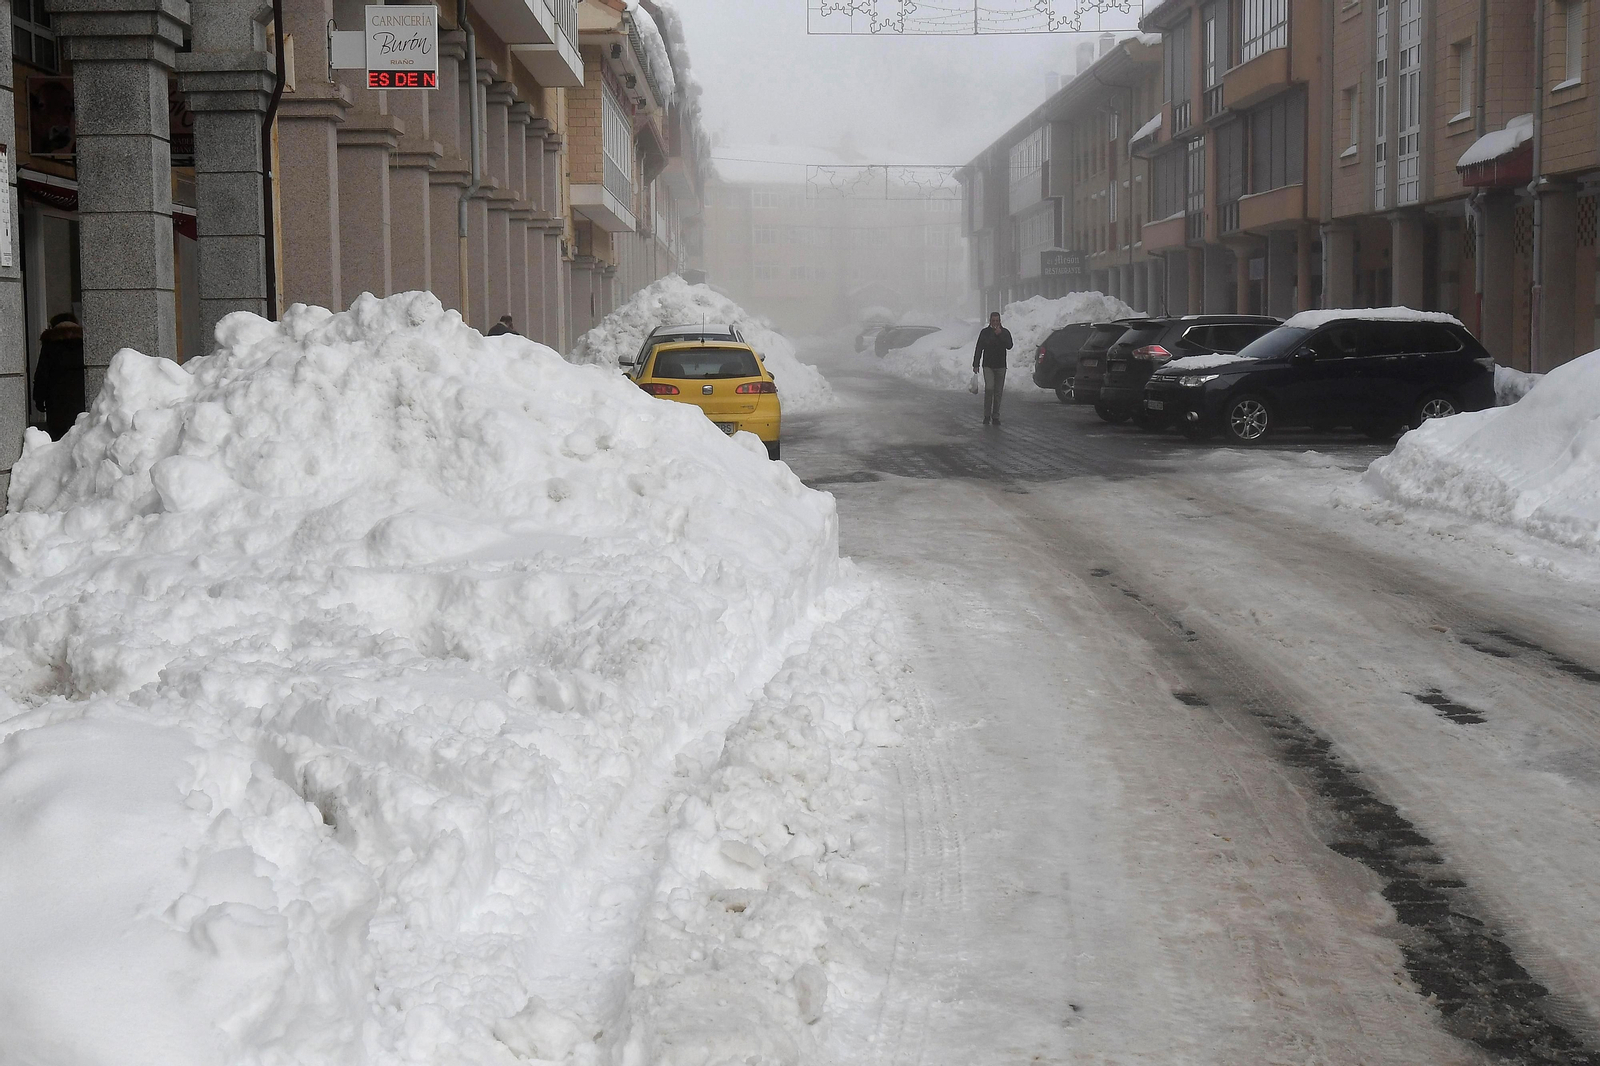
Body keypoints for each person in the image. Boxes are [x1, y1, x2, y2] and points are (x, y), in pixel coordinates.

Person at [33, 312, 86, 441]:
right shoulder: (84, 342)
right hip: (80, 394)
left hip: (56, 397)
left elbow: (42, 373)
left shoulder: (50, 343)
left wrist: (39, 398)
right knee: (81, 432)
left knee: (58, 436)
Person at [972, 311, 1013, 425]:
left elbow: (1009, 345)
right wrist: (976, 364)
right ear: (990, 321)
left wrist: (1000, 335)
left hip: (1001, 366)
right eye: (993, 321)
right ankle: (986, 415)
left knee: (998, 392)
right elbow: (979, 348)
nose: (995, 323)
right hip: (988, 365)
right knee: (989, 388)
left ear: (1000, 321)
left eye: (997, 321)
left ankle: (995, 415)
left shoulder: (1005, 332)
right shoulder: (985, 332)